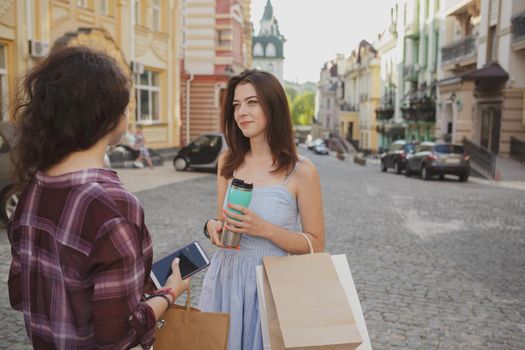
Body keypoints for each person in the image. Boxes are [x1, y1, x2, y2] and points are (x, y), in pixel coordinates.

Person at [7, 46, 190, 350]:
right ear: (108, 117)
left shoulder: (32, 190)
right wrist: (169, 293)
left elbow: (19, 294)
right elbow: (118, 336)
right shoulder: (113, 206)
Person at [199, 69, 325, 349]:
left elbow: (316, 243)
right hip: (226, 282)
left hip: (271, 286)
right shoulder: (227, 162)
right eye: (236, 104)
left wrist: (265, 229)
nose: (241, 111)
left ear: (273, 106)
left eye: (252, 102)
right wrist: (212, 227)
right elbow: (224, 219)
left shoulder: (301, 171)